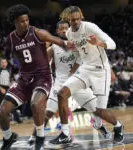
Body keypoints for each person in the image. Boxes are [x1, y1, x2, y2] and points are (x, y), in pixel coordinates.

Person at [0, 4, 75, 150]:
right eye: (22, 21)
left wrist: (67, 44)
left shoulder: (37, 32)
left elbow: (56, 40)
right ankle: (8, 138)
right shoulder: (11, 39)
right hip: (24, 79)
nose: (26, 23)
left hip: (42, 77)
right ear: (15, 22)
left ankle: (39, 136)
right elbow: (9, 55)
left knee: (35, 103)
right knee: (1, 112)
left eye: (27, 20)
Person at [49, 6, 124, 148]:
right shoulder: (70, 33)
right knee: (62, 93)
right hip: (85, 69)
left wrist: (98, 43)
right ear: (68, 20)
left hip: (101, 71)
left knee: (100, 111)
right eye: (73, 20)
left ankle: (118, 126)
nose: (76, 22)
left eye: (78, 19)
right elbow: (80, 51)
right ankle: (65, 134)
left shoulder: (90, 27)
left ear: (81, 17)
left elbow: (113, 44)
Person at [28, 20, 111, 145]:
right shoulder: (54, 48)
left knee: (97, 109)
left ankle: (101, 127)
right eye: (61, 29)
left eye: (65, 28)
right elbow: (42, 64)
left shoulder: (79, 44)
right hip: (60, 83)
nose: (63, 30)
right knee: (48, 112)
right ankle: (35, 136)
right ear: (57, 31)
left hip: (78, 81)